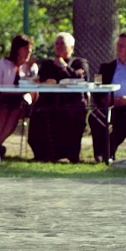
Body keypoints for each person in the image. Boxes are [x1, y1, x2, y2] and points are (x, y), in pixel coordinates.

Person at [27, 32, 89, 163]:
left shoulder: (79, 62)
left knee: (69, 116)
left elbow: (80, 78)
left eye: (63, 43)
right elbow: (44, 79)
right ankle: (42, 154)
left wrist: (63, 67)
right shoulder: (47, 64)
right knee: (39, 115)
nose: (59, 46)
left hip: (72, 102)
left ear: (71, 47)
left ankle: (69, 155)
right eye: (57, 43)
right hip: (49, 101)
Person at [88, 31, 126, 162]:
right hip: (110, 105)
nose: (118, 48)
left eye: (122, 45)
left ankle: (108, 151)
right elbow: (97, 86)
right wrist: (103, 99)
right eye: (118, 44)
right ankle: (99, 154)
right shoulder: (106, 67)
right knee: (95, 117)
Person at [0, 34, 38, 157]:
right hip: (2, 99)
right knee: (4, 110)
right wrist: (11, 92)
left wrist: (28, 69)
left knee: (16, 111)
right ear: (18, 49)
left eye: (30, 49)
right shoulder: (4, 63)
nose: (29, 52)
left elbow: (32, 88)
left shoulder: (32, 67)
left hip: (20, 102)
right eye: (26, 48)